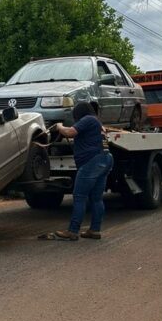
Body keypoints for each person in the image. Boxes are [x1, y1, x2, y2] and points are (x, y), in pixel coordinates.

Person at [40, 101, 113, 241]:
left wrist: (59, 126)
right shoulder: (97, 122)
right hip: (104, 159)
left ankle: (73, 231)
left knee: (79, 196)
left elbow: (70, 132)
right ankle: (95, 230)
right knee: (96, 198)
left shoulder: (87, 119)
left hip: (92, 162)